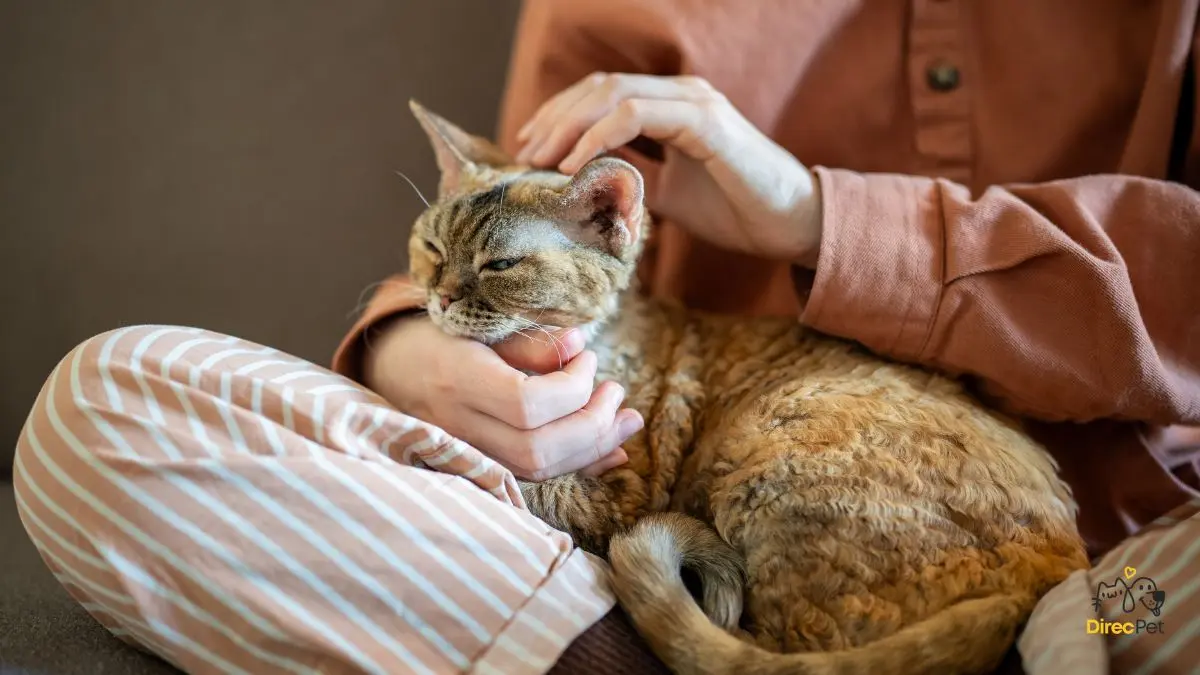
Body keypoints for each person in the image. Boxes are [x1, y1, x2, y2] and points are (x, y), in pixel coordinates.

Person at [13, 1, 1200, 674]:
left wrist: (816, 214)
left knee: (1147, 616)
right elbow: (504, 215)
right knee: (100, 410)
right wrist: (405, 353)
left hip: (1116, 580)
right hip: (647, 550)